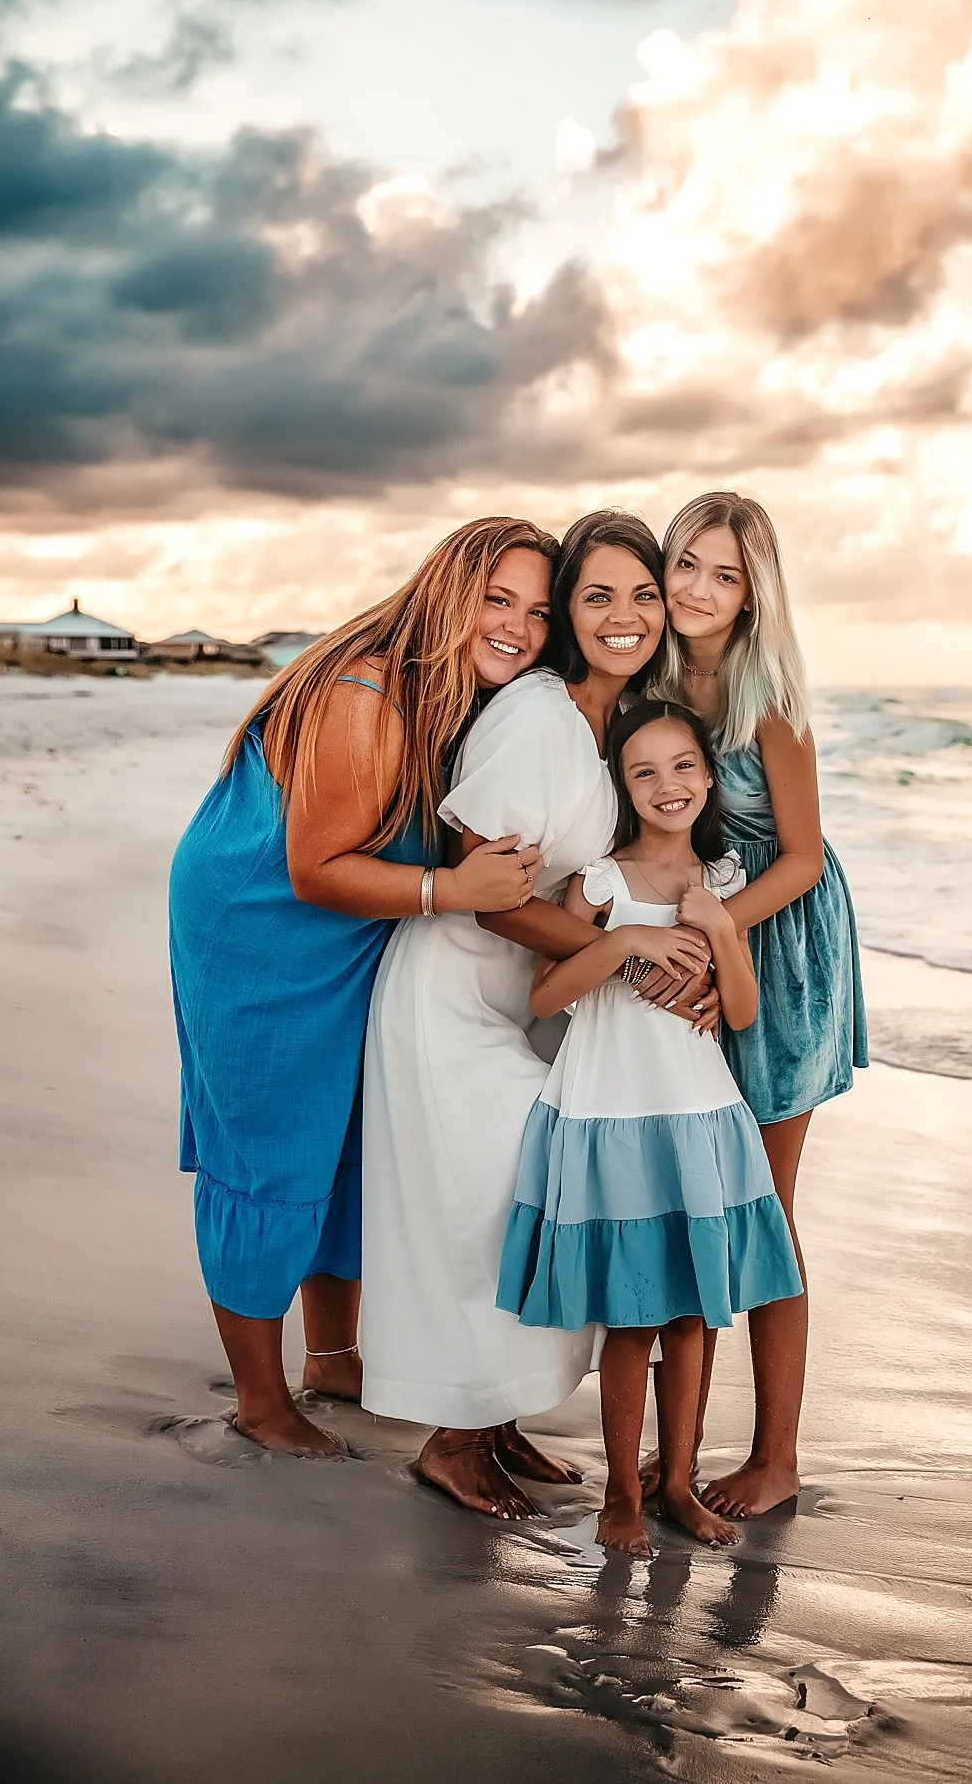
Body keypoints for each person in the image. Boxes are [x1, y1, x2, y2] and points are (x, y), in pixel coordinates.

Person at [169, 518, 556, 1458]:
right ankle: (259, 1400)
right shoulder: (367, 693)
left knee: (346, 1137)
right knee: (272, 1148)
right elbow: (313, 867)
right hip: (262, 923)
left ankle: (333, 1358)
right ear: (447, 590)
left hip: (360, 922)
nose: (517, 626)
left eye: (539, 611)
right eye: (496, 599)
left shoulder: (460, 692)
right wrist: (451, 890)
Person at [361, 513, 719, 1519]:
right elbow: (480, 881)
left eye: (642, 594)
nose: (624, 615)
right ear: (573, 613)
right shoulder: (537, 713)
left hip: (514, 996)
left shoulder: (609, 725)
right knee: (506, 1197)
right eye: (597, 595)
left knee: (523, 1199)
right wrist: (621, 954)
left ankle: (500, 1416)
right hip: (449, 996)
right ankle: (455, 1438)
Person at [497, 700, 804, 1558]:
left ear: (708, 778)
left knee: (695, 1316)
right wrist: (624, 941)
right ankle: (620, 1495)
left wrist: (718, 931)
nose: (667, 785)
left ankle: (677, 1481)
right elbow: (543, 997)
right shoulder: (599, 881)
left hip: (701, 1115)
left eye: (682, 767)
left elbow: (739, 1012)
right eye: (645, 771)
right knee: (632, 1319)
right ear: (623, 789)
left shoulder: (727, 882)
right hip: (611, 1114)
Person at [651, 492, 868, 1517]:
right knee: (685, 1196)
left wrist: (712, 928)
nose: (696, 588)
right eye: (686, 562)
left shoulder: (767, 698)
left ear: (751, 594)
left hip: (780, 951)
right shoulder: (646, 677)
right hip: (700, 938)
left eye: (723, 574)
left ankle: (775, 1456)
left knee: (764, 1215)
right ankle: (672, 1453)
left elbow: (799, 856)